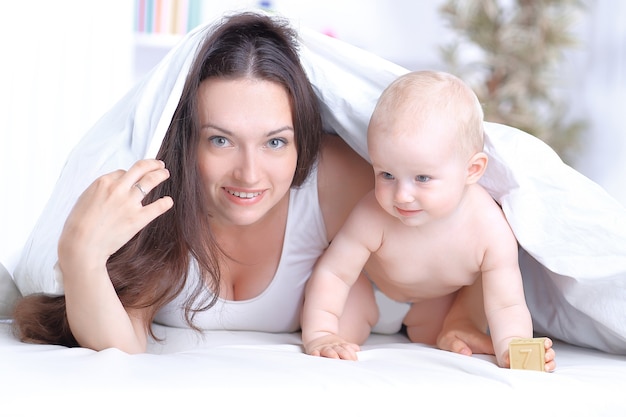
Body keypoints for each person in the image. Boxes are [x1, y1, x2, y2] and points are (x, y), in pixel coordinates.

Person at [12, 13, 492, 357]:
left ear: (302, 137)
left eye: (275, 143)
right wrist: (81, 258)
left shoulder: (340, 179)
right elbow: (122, 345)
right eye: (220, 140)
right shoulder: (160, 200)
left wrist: (459, 319)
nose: (249, 173)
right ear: (185, 140)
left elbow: (472, 222)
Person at [301, 70, 556, 371]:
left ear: (472, 170)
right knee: (338, 340)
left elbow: (506, 303)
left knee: (459, 324)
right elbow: (335, 274)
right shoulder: (373, 214)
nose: (402, 196)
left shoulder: (490, 229)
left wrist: (514, 346)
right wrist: (320, 333)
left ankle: (456, 327)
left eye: (422, 178)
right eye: (387, 175)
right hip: (370, 289)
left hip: (437, 302)